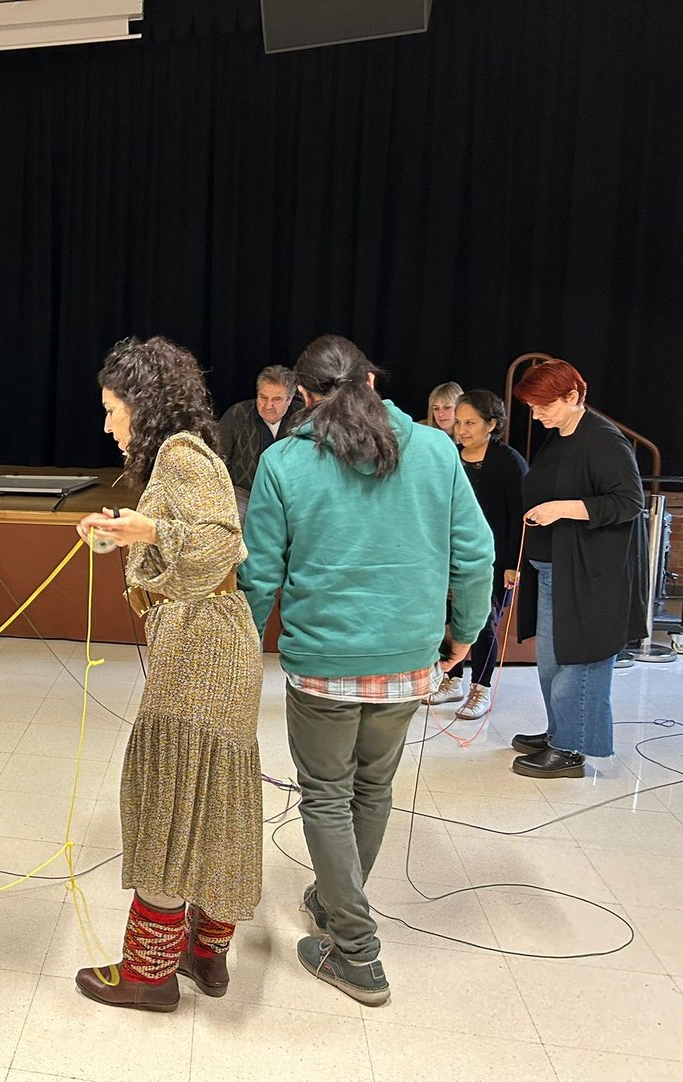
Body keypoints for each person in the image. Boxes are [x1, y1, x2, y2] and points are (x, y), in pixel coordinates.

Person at [240, 335, 492, 1007]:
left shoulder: (284, 462)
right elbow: (475, 554)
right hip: (408, 660)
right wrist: (463, 634)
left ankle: (356, 951)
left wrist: (242, 648)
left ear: (303, 396)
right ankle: (331, 903)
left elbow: (259, 573)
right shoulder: (436, 450)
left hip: (323, 665)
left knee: (327, 795)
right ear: (373, 382)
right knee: (372, 790)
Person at [72, 336, 263, 1013]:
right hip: (214, 643)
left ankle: (149, 972)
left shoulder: (181, 455)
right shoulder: (187, 457)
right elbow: (187, 536)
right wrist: (127, 533)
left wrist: (148, 534)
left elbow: (221, 542)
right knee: (211, 799)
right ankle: (204, 954)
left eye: (112, 409)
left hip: (203, 649)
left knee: (171, 796)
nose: (108, 425)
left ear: (142, 404)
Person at [509, 360, 646, 779]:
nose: (537, 416)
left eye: (544, 406)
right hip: (555, 570)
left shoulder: (603, 439)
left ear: (573, 396)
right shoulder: (561, 435)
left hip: (589, 575)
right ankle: (560, 732)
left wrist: (562, 509)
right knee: (552, 662)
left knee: (580, 660)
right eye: (532, 408)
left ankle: (571, 749)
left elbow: (629, 502)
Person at [426, 390, 529, 719]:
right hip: (450, 557)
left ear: (491, 424)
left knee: (483, 623)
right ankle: (452, 679)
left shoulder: (508, 461)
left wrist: (512, 564)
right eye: (458, 423)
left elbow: (519, 516)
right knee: (448, 621)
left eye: (470, 423)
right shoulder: (450, 457)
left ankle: (480, 688)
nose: (461, 430)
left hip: (493, 561)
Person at [216, 365, 304, 521]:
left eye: (276, 399)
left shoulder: (303, 419)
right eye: (263, 397)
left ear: (289, 399)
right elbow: (216, 459)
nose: (268, 405)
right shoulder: (237, 414)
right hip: (244, 496)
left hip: (291, 498)